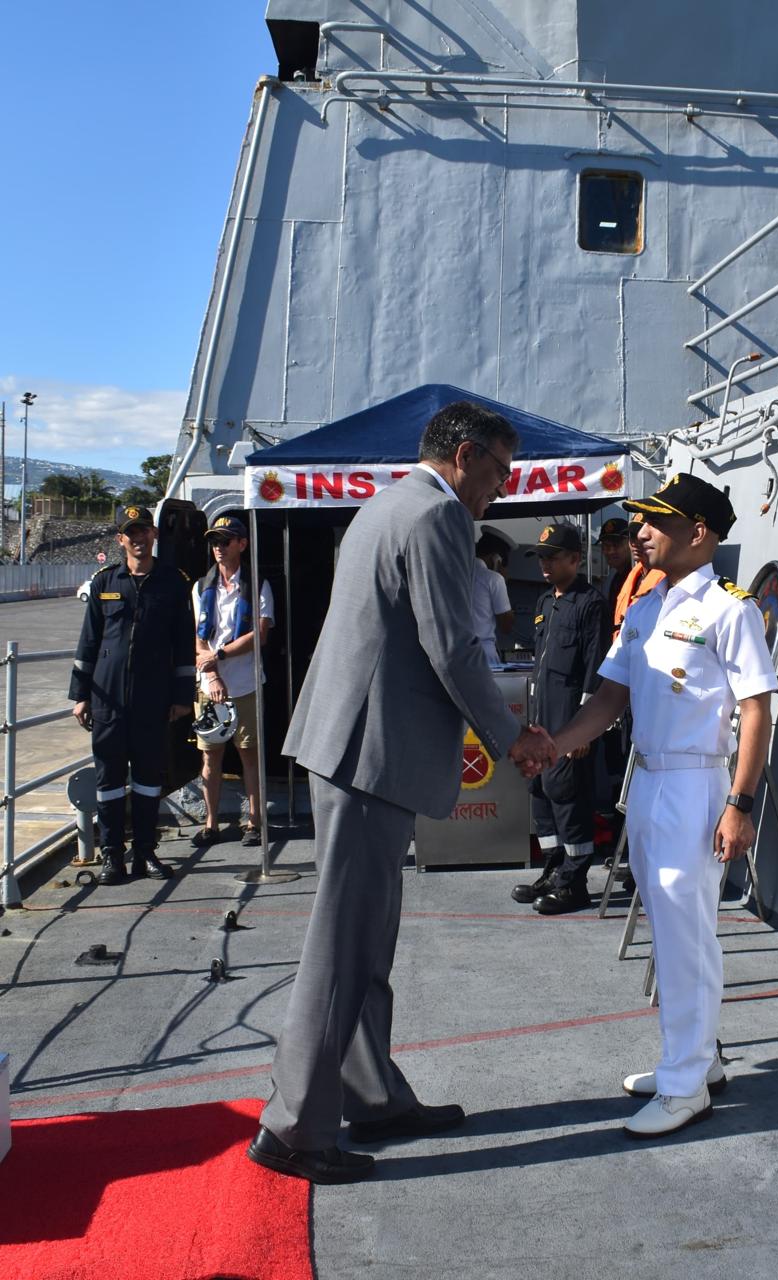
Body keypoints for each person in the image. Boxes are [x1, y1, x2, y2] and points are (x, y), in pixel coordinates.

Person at [247, 401, 555, 1185]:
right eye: (497, 471)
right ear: (464, 454)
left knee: (367, 940)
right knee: (344, 948)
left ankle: (371, 1094)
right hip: (368, 755)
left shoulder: (387, 504)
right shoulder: (437, 519)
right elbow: (450, 647)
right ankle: (294, 1128)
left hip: (354, 748)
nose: (501, 487)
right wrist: (510, 735)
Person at [527, 474, 777, 1138]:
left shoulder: (731, 608)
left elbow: (756, 711)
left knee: (683, 933)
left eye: (656, 521)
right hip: (648, 780)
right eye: (641, 520)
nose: (641, 531)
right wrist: (553, 747)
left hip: (697, 783)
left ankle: (684, 1083)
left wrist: (740, 803)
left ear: (699, 533)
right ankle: (698, 1060)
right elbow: (608, 702)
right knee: (674, 931)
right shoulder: (644, 608)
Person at [69, 505, 196, 884]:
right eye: (131, 533)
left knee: (147, 780)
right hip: (107, 700)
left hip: (153, 699)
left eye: (144, 531)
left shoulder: (174, 582)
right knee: (108, 782)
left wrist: (182, 695)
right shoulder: (105, 582)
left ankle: (145, 852)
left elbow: (183, 646)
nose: (139, 538)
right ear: (121, 539)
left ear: (154, 536)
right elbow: (88, 642)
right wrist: (80, 695)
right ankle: (112, 855)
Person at [510, 523, 610, 915]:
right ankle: (554, 870)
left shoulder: (590, 604)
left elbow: (595, 668)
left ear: (575, 558)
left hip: (570, 717)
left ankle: (575, 883)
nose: (546, 565)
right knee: (541, 796)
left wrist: (584, 728)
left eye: (554, 557)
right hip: (542, 715)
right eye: (542, 558)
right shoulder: (544, 602)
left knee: (568, 798)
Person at [190, 515, 275, 848]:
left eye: (225, 541)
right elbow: (198, 639)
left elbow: (260, 634)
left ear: (242, 544)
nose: (218, 549)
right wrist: (210, 674)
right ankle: (210, 823)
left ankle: (254, 821)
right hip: (209, 687)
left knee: (249, 754)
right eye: (214, 542)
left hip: (245, 684)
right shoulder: (201, 587)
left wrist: (218, 656)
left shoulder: (257, 584)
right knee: (210, 756)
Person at [612, 513, 665, 638]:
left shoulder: (668, 577)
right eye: (632, 536)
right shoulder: (633, 574)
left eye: (641, 537)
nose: (635, 542)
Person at [470, 529, 514, 666]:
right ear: (497, 558)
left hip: (457, 653)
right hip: (483, 653)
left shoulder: (456, 574)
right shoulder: (493, 579)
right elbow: (506, 626)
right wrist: (503, 583)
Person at [596, 517, 632, 613]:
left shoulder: (638, 577)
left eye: (616, 545)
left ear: (630, 544)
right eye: (606, 546)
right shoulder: (614, 577)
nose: (610, 551)